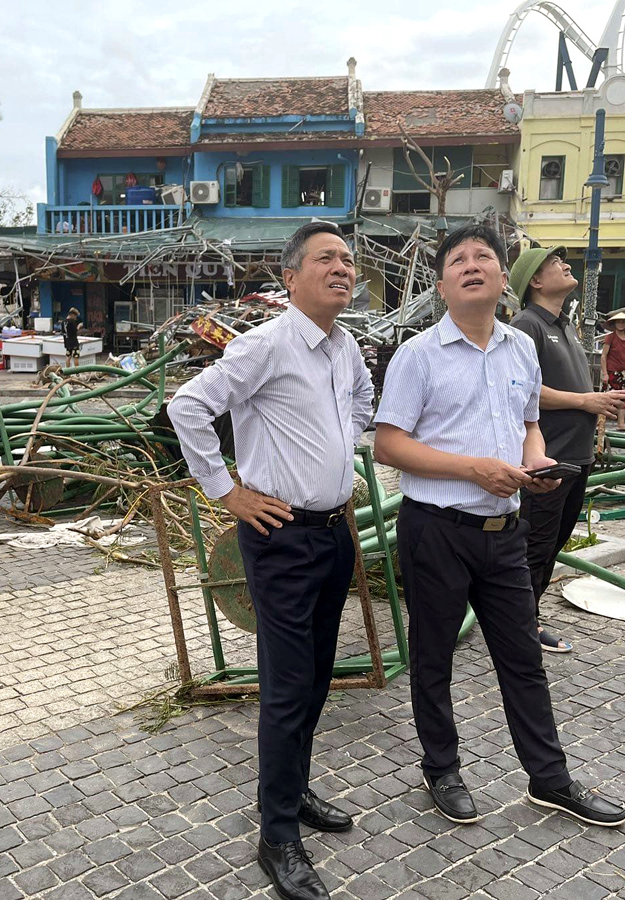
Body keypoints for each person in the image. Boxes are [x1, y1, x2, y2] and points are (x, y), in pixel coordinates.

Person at [374, 224, 625, 831]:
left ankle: (550, 780)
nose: (471, 264)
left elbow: (529, 423)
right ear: (441, 284)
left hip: (504, 531)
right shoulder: (418, 356)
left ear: (501, 278)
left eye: (483, 255)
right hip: (436, 529)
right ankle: (443, 770)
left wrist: (534, 460)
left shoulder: (520, 348)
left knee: (522, 659)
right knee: (433, 658)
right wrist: (472, 469)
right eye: (457, 259)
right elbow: (388, 444)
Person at [169, 221, 374, 900]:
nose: (341, 267)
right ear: (291, 278)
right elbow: (188, 407)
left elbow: (360, 409)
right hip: (281, 538)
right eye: (325, 259)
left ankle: (295, 786)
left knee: (316, 677)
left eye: (347, 258)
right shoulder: (266, 344)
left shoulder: (345, 349)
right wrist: (226, 492)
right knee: (287, 689)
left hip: (334, 533)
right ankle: (277, 836)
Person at [508, 247, 625, 655]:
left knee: (552, 543)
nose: (565, 265)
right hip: (548, 457)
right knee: (535, 545)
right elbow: (521, 389)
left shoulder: (564, 324)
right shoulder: (528, 324)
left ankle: (525, 616)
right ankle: (522, 624)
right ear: (536, 282)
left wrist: (596, 399)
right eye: (554, 263)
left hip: (574, 455)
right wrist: (585, 402)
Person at [601, 312, 625, 430]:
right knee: (607, 397)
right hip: (612, 371)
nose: (621, 324)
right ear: (614, 324)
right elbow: (603, 356)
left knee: (624, 397)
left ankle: (620, 424)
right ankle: (599, 422)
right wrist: (605, 373)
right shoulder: (610, 337)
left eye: (623, 322)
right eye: (618, 322)